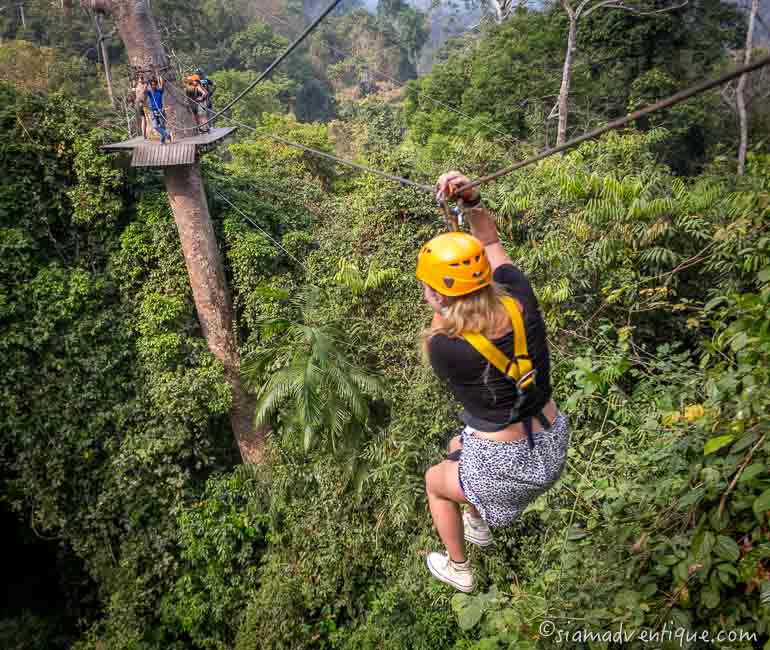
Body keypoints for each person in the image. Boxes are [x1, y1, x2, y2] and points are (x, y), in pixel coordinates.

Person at [418, 171, 570, 593]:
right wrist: (470, 201)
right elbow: (488, 242)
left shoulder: (445, 348)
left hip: (506, 468)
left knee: (435, 482)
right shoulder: (518, 292)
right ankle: (477, 524)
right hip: (552, 441)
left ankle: (459, 566)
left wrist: (443, 283)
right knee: (455, 446)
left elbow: (443, 318)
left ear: (437, 296)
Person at [145, 77, 170, 144]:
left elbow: (162, 85)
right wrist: (147, 83)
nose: (153, 86)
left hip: (160, 110)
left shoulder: (159, 91)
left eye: (154, 84)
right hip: (153, 111)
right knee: (155, 126)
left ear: (156, 85)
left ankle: (163, 140)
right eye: (152, 85)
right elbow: (145, 91)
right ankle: (166, 133)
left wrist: (161, 78)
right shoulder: (150, 93)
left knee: (162, 125)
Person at [133, 74, 148, 139]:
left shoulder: (141, 85)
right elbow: (142, 93)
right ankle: (144, 135)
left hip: (141, 103)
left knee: (144, 119)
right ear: (139, 80)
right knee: (144, 119)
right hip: (140, 103)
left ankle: (145, 134)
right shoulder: (139, 86)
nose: (142, 80)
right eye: (140, 78)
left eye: (142, 78)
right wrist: (146, 85)